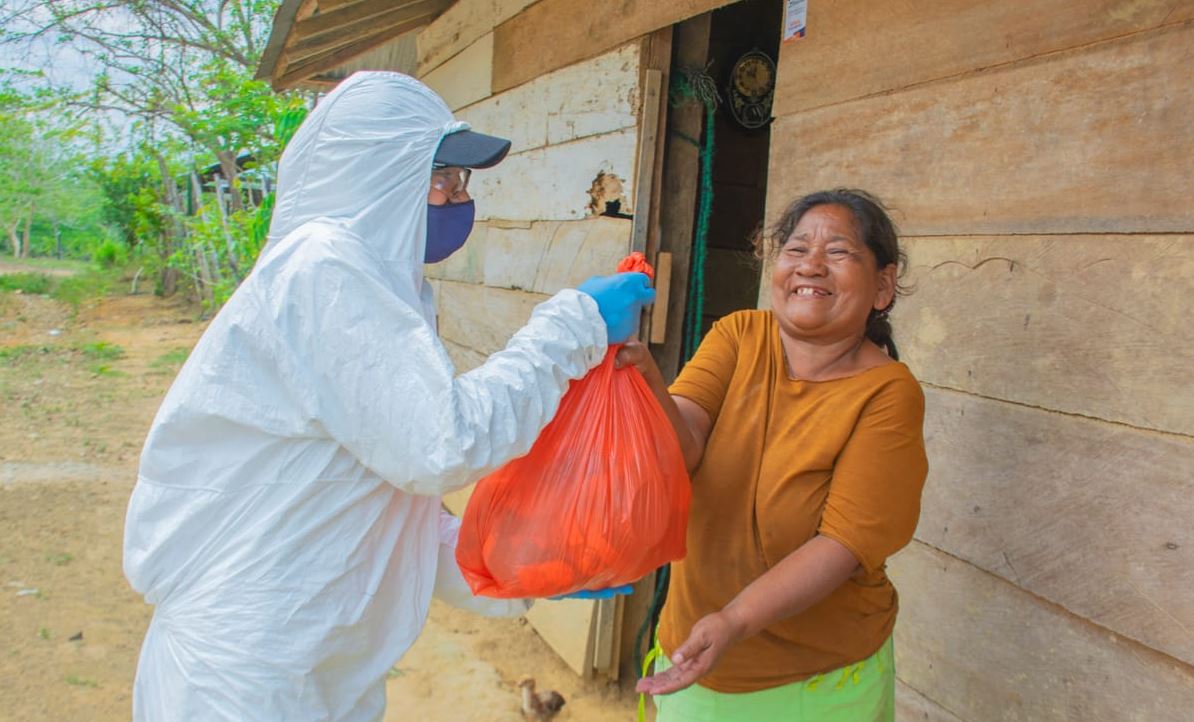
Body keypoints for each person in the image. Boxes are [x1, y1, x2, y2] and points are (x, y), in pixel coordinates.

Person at [122, 71, 653, 722]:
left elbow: (393, 514)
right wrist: (575, 324)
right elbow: (442, 446)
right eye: (444, 178)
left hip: (313, 669)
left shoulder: (384, 291)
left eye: (462, 181)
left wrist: (519, 570)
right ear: (377, 177)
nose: (459, 197)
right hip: (245, 675)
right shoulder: (323, 271)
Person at [621, 189, 929, 721]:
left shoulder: (887, 394)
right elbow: (685, 445)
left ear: (883, 286)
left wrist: (735, 620)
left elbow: (841, 544)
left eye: (839, 252)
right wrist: (646, 378)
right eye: (796, 248)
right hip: (693, 649)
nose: (811, 264)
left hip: (816, 684)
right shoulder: (740, 334)